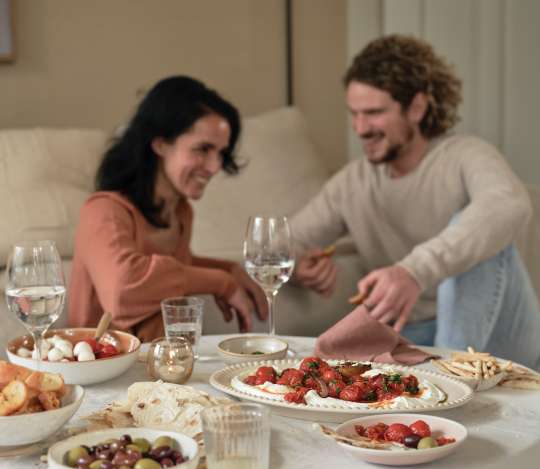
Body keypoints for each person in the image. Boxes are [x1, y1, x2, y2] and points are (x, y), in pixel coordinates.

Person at [292, 34, 540, 368]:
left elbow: (509, 204)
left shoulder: (465, 154)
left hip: (501, 333)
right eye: (354, 113)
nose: (360, 128)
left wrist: (413, 271)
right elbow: (285, 241)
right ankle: (441, 373)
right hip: (412, 336)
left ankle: (451, 378)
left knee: (478, 227)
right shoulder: (353, 181)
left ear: (417, 108)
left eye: (374, 113)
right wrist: (297, 263)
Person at [68, 76, 267, 342]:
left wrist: (229, 269)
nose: (215, 167)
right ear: (160, 143)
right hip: (102, 372)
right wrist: (221, 283)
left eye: (221, 152)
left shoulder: (181, 211)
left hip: (164, 366)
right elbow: (123, 290)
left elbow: (175, 269)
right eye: (203, 149)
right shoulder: (103, 211)